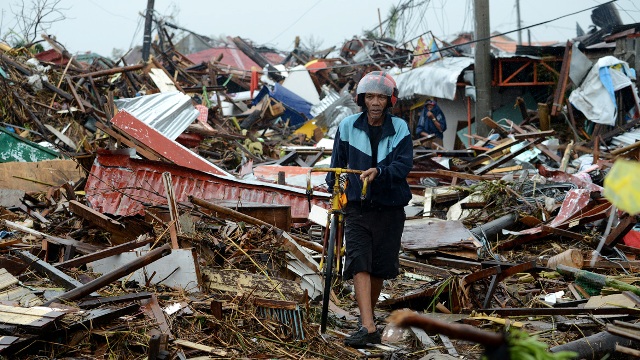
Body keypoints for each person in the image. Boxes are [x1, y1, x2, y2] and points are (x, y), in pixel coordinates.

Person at [326, 71, 412, 348]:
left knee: (378, 268)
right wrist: (334, 193)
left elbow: (403, 165)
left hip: (389, 207)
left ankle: (367, 320)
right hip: (357, 208)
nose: (376, 102)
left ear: (390, 101)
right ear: (362, 99)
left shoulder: (400, 128)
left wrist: (380, 172)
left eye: (381, 97)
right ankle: (368, 325)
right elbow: (336, 164)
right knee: (359, 262)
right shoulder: (348, 126)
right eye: (370, 96)